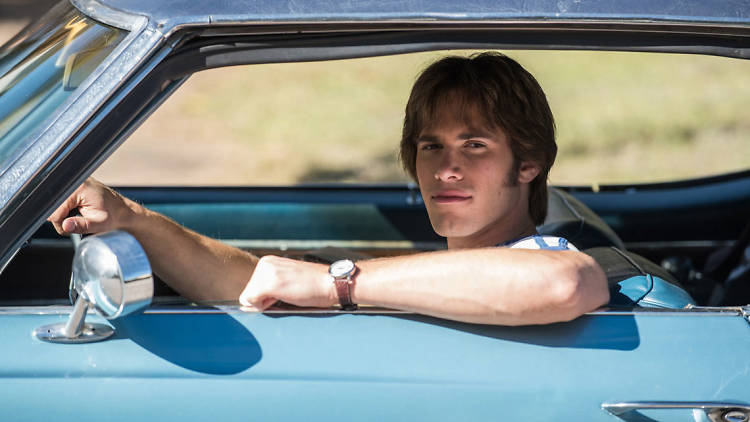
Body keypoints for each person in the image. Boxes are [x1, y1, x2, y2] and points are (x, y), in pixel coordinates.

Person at [48, 52, 608, 325]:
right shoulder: (434, 276)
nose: (447, 169)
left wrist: (334, 283)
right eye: (431, 146)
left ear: (530, 163)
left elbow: (564, 284)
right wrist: (131, 217)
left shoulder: (543, 259)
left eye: (476, 146)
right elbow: (247, 282)